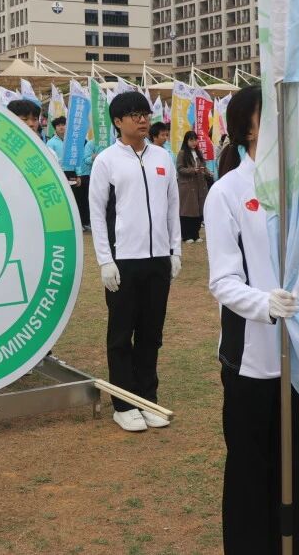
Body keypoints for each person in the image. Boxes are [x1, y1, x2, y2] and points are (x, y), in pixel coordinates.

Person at [204, 85, 299, 555]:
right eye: (271, 114)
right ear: (248, 129)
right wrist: (265, 305)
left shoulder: (295, 190)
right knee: (250, 469)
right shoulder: (226, 192)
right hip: (251, 357)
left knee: (294, 468)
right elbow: (223, 280)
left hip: (298, 355)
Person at [89, 91, 181, 432]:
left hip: (157, 260)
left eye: (145, 113)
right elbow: (97, 214)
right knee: (121, 335)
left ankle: (147, 399)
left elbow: (172, 206)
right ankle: (124, 404)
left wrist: (174, 251)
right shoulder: (106, 161)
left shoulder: (162, 157)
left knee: (151, 334)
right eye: (134, 115)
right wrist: (105, 260)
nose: (143, 120)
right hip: (123, 261)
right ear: (118, 121)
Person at [176, 131, 209, 243]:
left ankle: (195, 234)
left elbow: (203, 166)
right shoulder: (182, 153)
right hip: (188, 187)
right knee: (187, 211)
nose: (194, 142)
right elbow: (180, 169)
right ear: (186, 141)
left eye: (195, 139)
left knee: (198, 211)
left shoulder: (198, 152)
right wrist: (192, 170)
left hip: (199, 186)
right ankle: (186, 235)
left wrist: (207, 172)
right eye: (191, 140)